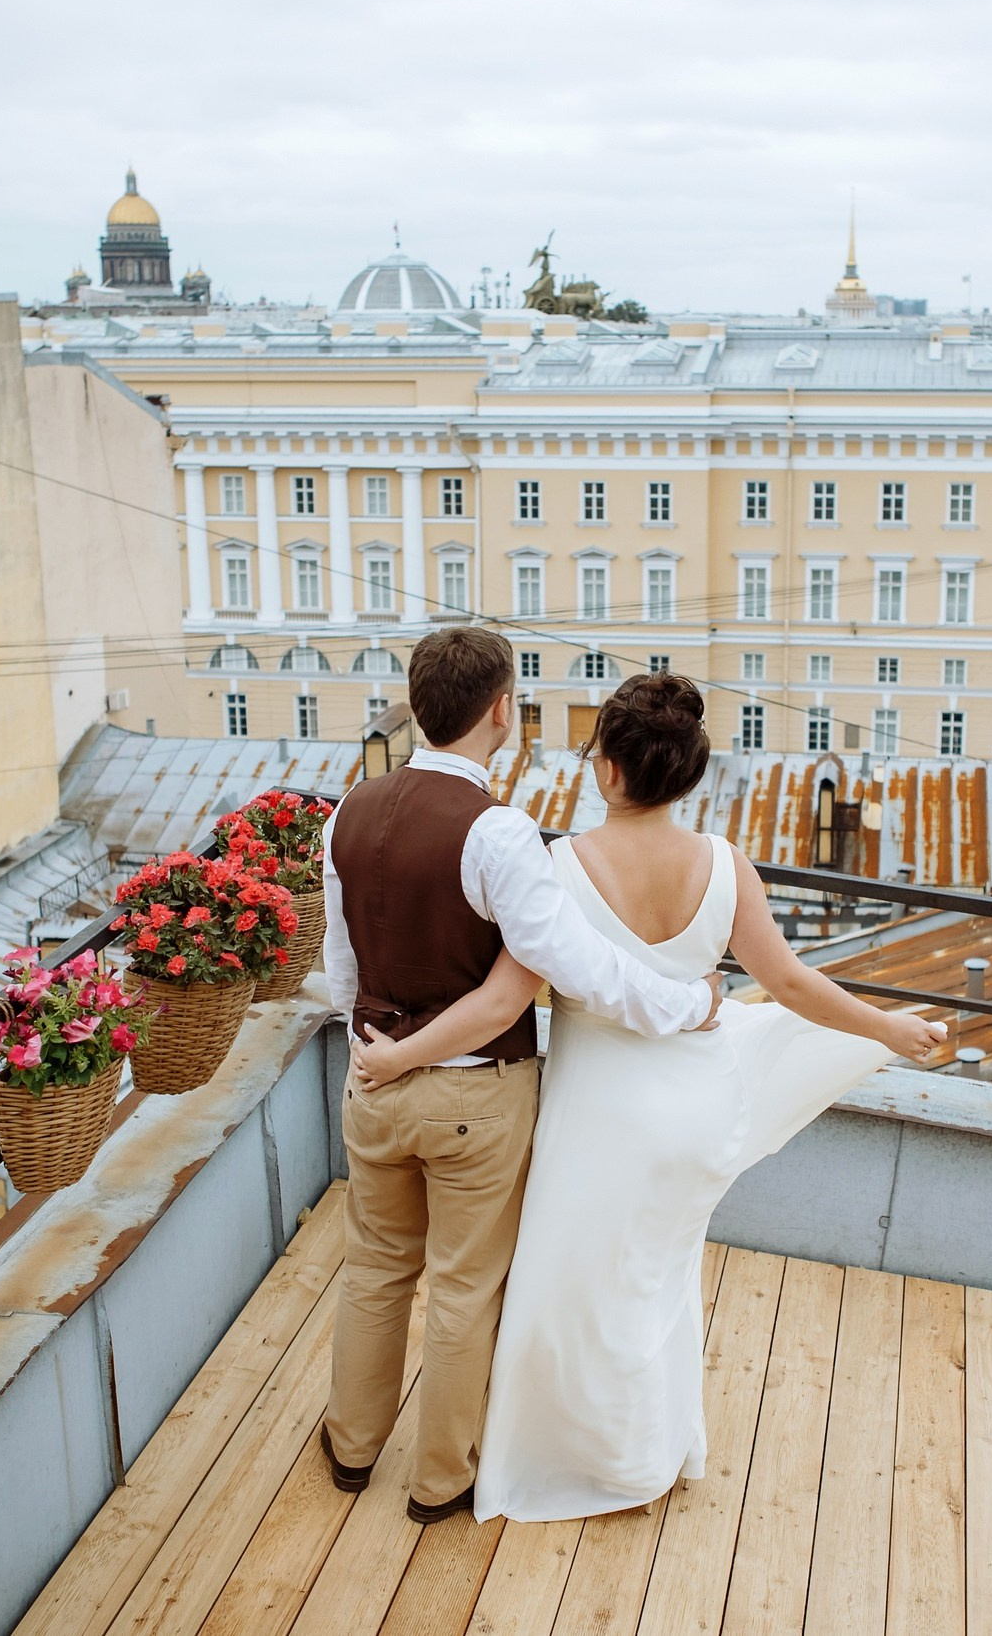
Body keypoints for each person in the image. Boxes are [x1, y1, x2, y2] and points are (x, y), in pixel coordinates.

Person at [348, 673, 944, 1523]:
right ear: (687, 775)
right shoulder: (726, 866)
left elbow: (506, 997)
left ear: (607, 770)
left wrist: (401, 1054)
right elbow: (789, 984)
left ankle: (562, 1454)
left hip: (595, 1120)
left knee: (566, 1292)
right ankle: (645, 1453)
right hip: (691, 1114)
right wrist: (883, 1026)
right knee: (654, 1287)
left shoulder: (559, 865)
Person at [317, 628, 724, 1526]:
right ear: (501, 709)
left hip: (373, 1080)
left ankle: (350, 1446)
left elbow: (341, 968)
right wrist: (689, 1004)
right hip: (473, 1097)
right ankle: (439, 1478)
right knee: (464, 1287)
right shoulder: (496, 833)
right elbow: (579, 969)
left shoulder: (345, 812)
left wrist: (376, 1049)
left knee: (375, 1269)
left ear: (420, 704)